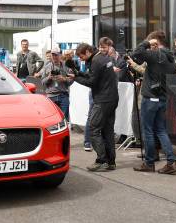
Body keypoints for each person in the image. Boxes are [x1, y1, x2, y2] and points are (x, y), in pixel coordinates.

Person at [132, 30, 176, 175]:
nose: (148, 46)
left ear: (155, 42)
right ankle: (171, 162)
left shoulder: (155, 54)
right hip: (163, 98)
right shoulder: (171, 57)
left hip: (151, 98)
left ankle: (149, 162)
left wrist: (147, 43)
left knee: (148, 131)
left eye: (150, 43)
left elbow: (136, 53)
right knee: (161, 130)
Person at [72, 42, 119, 172]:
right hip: (112, 99)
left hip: (102, 100)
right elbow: (95, 76)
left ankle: (101, 160)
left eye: (81, 56)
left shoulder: (96, 61)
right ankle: (111, 162)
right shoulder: (103, 57)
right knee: (108, 131)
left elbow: (92, 82)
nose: (81, 59)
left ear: (87, 52)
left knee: (93, 128)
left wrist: (76, 78)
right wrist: (79, 74)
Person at [40, 47, 73, 119]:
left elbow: (71, 80)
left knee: (64, 119)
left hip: (63, 95)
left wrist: (64, 79)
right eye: (53, 55)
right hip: (51, 96)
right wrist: (49, 78)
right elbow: (42, 82)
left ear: (60, 55)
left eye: (56, 55)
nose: (54, 57)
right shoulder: (47, 67)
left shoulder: (66, 67)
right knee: (52, 119)